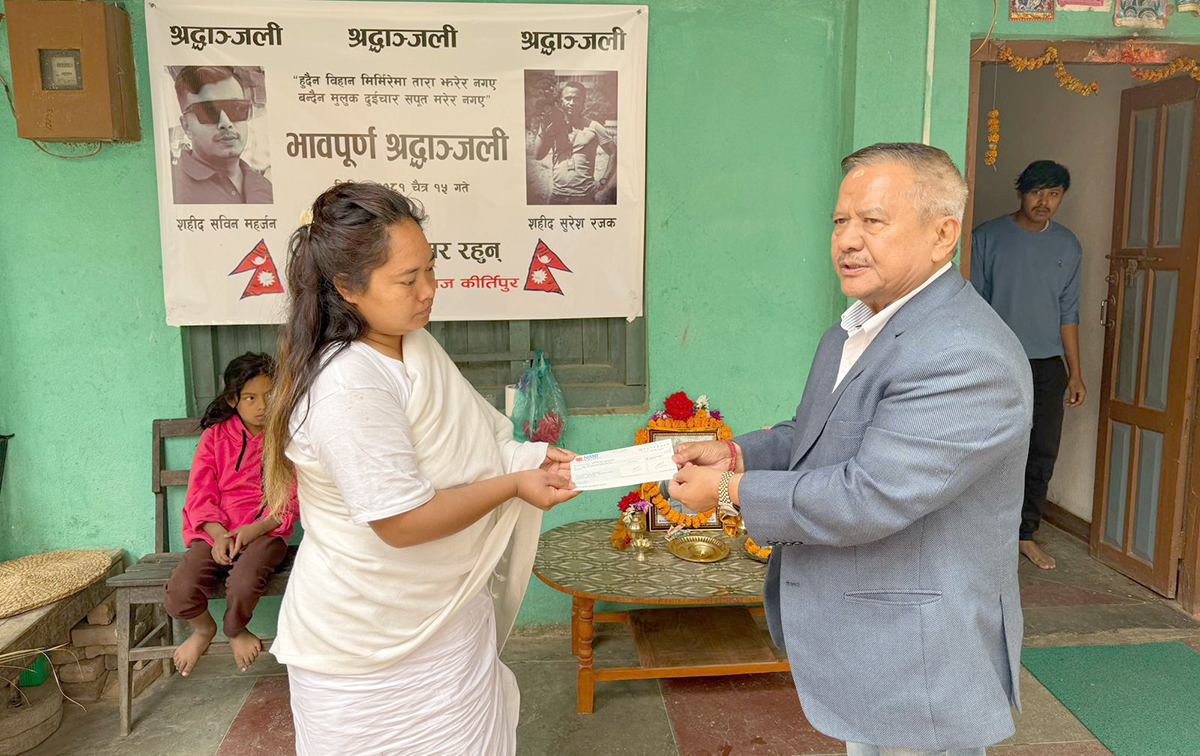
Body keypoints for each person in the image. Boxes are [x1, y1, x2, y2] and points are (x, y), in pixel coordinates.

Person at [669, 143, 1032, 756]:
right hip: (868, 634)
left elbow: (869, 495)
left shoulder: (962, 353)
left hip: (918, 653)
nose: (847, 240)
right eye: (840, 220)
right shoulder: (857, 326)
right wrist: (737, 455)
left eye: (873, 221)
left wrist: (729, 492)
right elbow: (814, 434)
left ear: (943, 235)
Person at [262, 182, 579, 756]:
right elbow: (401, 521)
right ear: (346, 287)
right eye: (408, 280)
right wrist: (513, 483)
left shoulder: (413, 345)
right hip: (368, 649)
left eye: (431, 269)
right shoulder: (348, 386)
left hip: (447, 623)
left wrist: (529, 459)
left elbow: (478, 444)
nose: (430, 290)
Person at [970, 160, 1084, 570]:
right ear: (1021, 192)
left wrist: (1075, 371)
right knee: (990, 448)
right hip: (997, 361)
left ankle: (1024, 534)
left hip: (1047, 365)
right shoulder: (986, 238)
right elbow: (973, 306)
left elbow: (1068, 311)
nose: (1044, 201)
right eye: (1037, 192)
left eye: (1054, 194)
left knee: (1042, 451)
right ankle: (982, 532)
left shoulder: (1068, 245)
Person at [164, 352, 297, 676]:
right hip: (215, 533)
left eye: (269, 395)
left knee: (244, 582)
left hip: (265, 534)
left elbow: (290, 498)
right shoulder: (215, 437)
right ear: (232, 399)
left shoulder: (284, 438)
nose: (262, 405)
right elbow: (200, 493)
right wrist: (218, 534)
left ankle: (235, 629)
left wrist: (253, 530)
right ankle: (204, 629)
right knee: (180, 591)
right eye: (250, 397)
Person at [171, 66, 273, 205]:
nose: (226, 123)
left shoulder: (264, 187)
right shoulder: (173, 187)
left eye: (236, 108)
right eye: (209, 112)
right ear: (186, 126)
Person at [533, 81, 616, 204]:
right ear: (561, 102)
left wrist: (603, 181)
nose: (572, 103)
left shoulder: (594, 126)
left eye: (576, 99)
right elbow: (538, 155)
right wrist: (543, 124)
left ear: (583, 102)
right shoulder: (553, 127)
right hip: (557, 196)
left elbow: (614, 152)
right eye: (568, 98)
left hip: (584, 197)